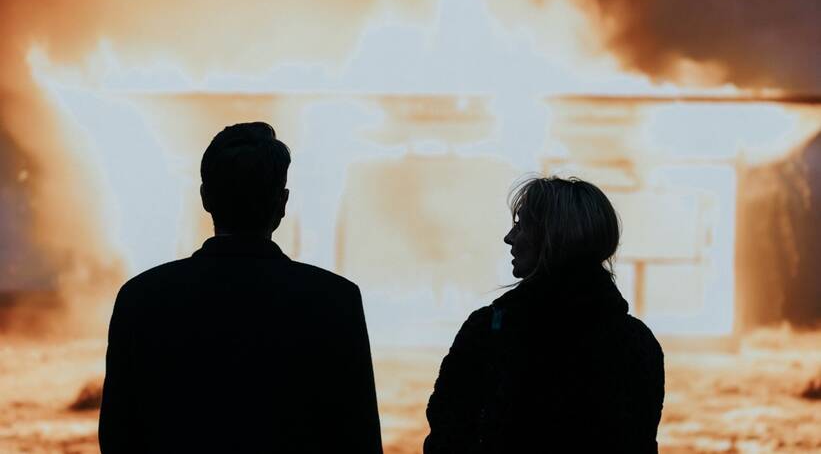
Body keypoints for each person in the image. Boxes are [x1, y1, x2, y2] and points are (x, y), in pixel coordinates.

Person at [99, 122, 382, 453]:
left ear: (205, 198)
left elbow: (118, 434)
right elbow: (358, 437)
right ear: (282, 203)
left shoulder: (141, 297)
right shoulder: (336, 300)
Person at [424, 176, 665, 453]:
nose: (509, 238)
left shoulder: (490, 332)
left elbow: (447, 438)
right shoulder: (637, 343)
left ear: (555, 236)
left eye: (522, 224)